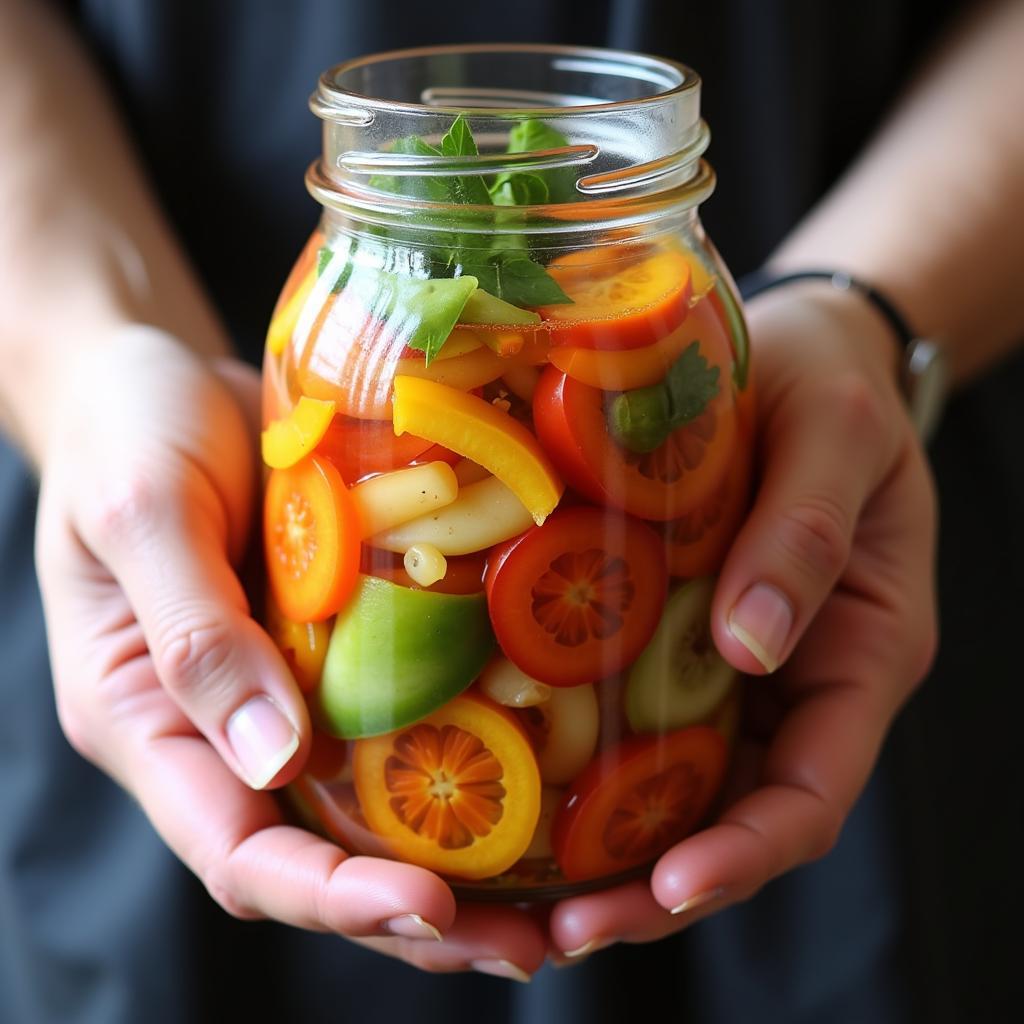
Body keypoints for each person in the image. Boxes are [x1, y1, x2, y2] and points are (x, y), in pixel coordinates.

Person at [0, 0, 1021, 1021]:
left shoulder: (674, 302)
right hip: (148, 500)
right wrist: (93, 354)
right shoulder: (336, 311)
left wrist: (871, 309)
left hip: (855, 574)